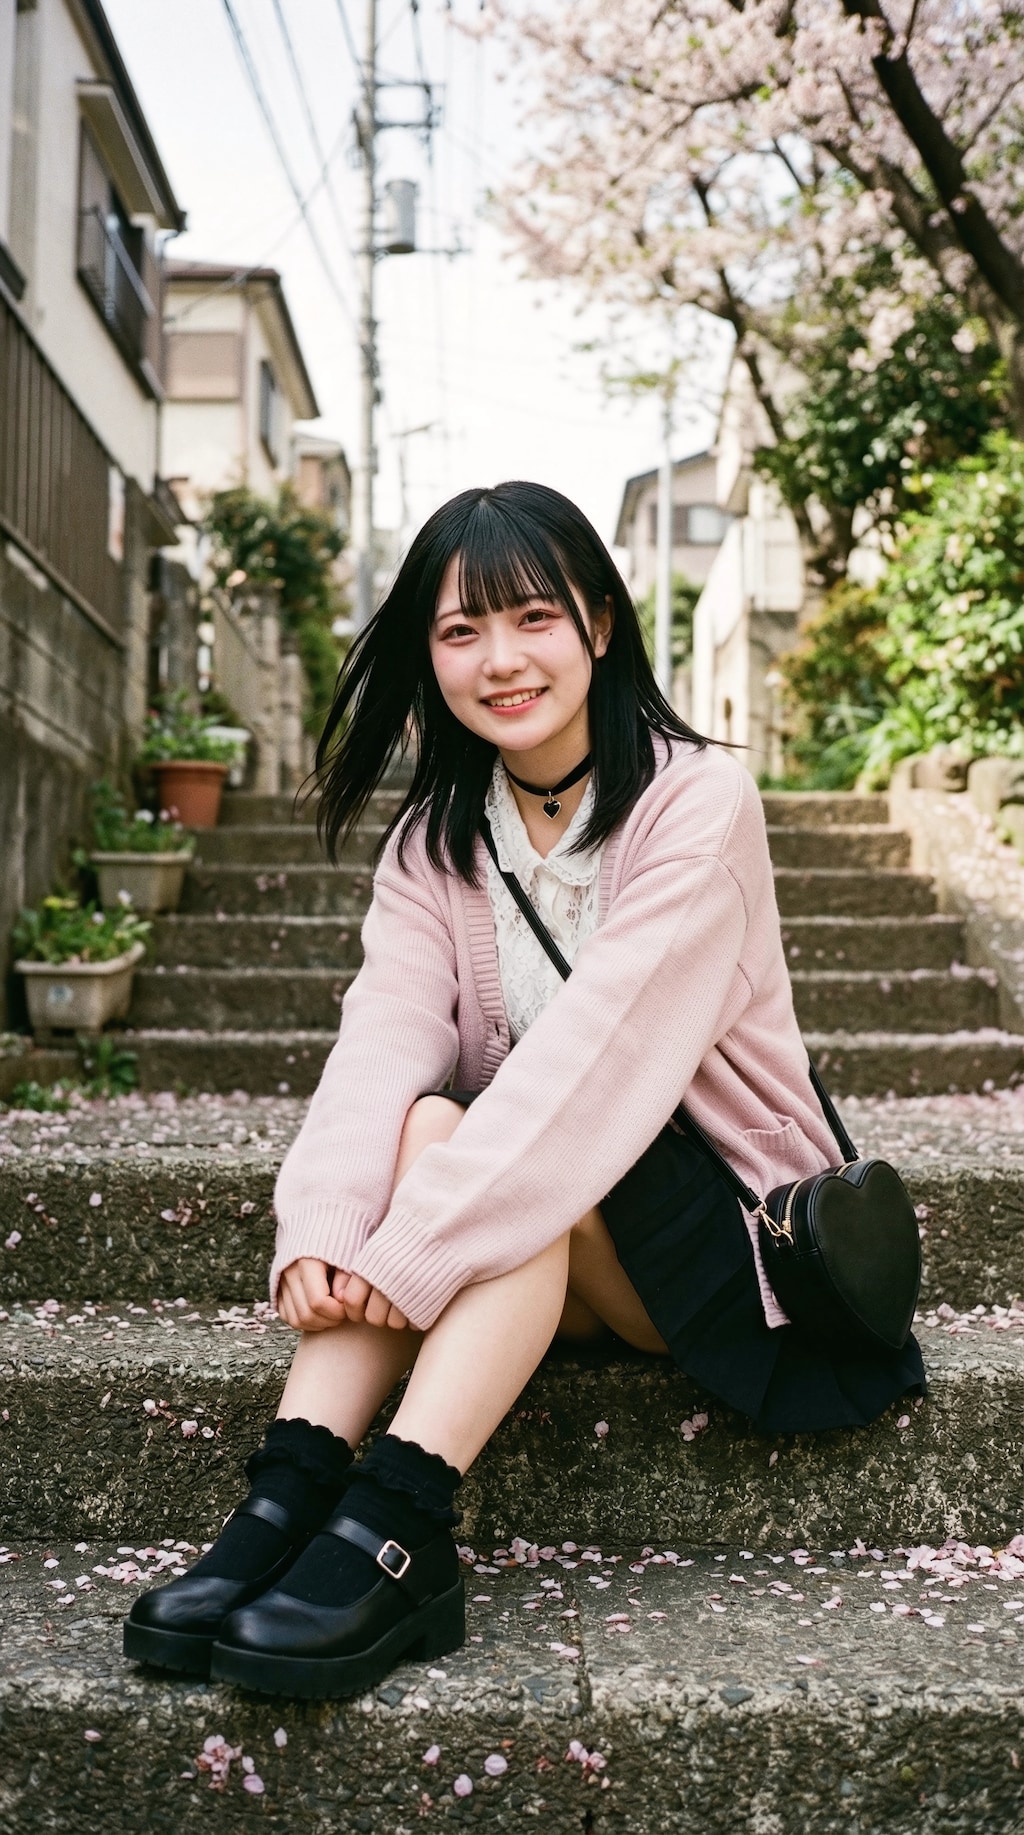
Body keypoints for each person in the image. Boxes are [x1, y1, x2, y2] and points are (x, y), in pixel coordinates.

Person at [124, 480, 924, 1699]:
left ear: (599, 623)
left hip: (711, 1241)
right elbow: (381, 1036)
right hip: (542, 1235)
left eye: (531, 618)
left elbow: (592, 1063)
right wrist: (327, 1224)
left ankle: (399, 1521)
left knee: (513, 1143)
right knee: (436, 1113)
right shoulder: (434, 840)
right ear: (427, 654)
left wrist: (416, 1243)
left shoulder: (693, 802)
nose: (499, 659)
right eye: (459, 632)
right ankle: (286, 1492)